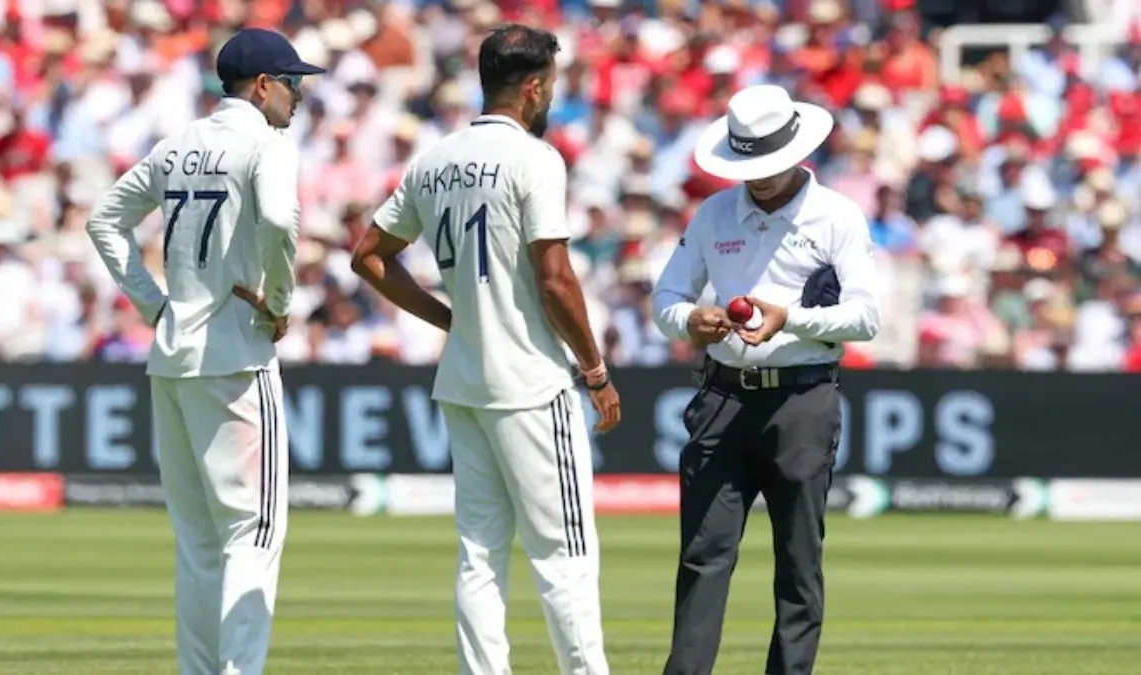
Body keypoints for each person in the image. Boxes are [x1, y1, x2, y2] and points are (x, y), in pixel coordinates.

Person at [350, 24, 620, 675]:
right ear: (532, 87)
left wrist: (449, 318)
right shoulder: (536, 158)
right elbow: (555, 277)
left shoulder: (434, 158)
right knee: (566, 556)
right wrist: (595, 369)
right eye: (550, 84)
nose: (550, 95)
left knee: (479, 552)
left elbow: (368, 258)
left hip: (465, 381)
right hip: (530, 381)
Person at [85, 28, 325, 675]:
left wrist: (152, 305)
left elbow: (103, 220)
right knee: (255, 531)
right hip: (238, 357)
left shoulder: (177, 144)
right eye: (294, 84)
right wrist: (279, 300)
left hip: (172, 354)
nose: (300, 97)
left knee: (198, 541)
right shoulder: (267, 145)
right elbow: (278, 221)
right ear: (264, 86)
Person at [650, 84, 880, 675]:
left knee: (798, 559)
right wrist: (691, 322)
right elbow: (668, 298)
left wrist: (789, 317)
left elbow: (866, 316)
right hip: (723, 395)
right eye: (751, 164)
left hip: (803, 398)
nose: (761, 177)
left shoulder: (836, 215)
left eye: (771, 165)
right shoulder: (714, 212)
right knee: (704, 554)